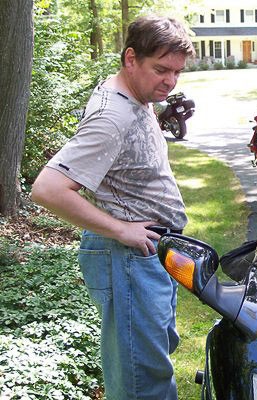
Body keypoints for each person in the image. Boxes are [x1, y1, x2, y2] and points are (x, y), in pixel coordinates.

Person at [31, 15, 195, 399]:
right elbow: (48, 189)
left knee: (149, 360)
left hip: (150, 253)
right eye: (161, 70)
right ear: (130, 58)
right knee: (141, 381)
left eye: (177, 72)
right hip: (128, 258)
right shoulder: (112, 116)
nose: (170, 82)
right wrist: (122, 229)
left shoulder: (136, 95)